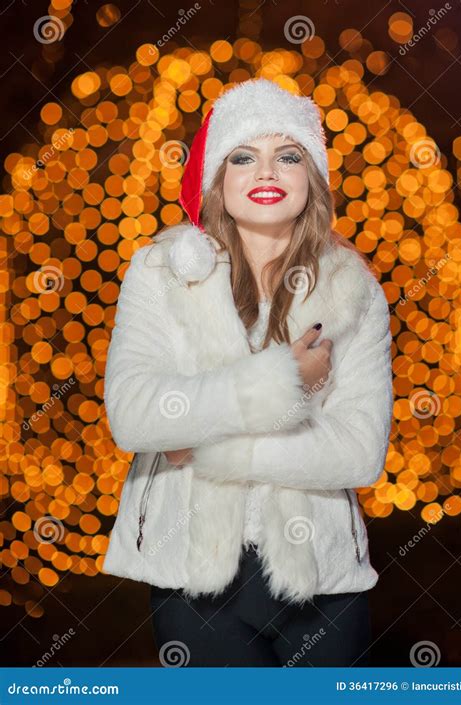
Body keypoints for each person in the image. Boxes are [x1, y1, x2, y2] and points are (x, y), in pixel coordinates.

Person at [102, 78, 394, 667]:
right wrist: (283, 378)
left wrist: (204, 441)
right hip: (192, 573)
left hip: (324, 577)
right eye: (244, 157)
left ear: (311, 179)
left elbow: (360, 452)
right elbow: (135, 416)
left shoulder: (355, 289)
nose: (266, 173)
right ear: (218, 178)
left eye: (288, 156)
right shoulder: (159, 271)